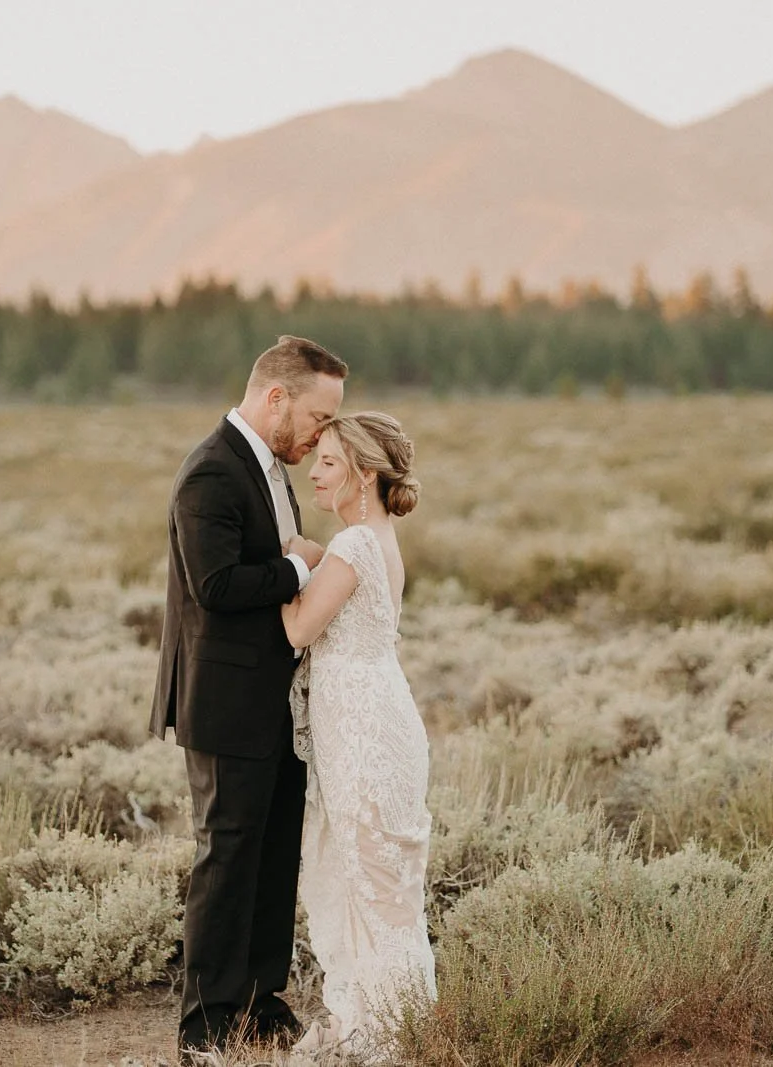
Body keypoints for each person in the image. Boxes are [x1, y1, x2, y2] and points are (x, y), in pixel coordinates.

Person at [149, 335, 347, 1054]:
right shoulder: (211, 471)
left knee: (272, 855)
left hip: (274, 701)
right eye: (319, 417)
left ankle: (261, 1003)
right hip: (225, 703)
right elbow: (216, 584)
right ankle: (204, 1024)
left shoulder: (267, 467)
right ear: (276, 398)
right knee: (227, 858)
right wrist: (299, 569)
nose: (322, 435)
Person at [280, 412, 436, 1057]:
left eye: (328, 463)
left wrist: (291, 561)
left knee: (373, 882)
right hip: (376, 718)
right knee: (378, 882)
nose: (314, 473)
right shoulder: (373, 540)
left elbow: (298, 629)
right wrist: (315, 559)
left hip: (364, 732)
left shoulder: (353, 546)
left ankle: (394, 1035)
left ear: (365, 474)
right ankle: (385, 1019)